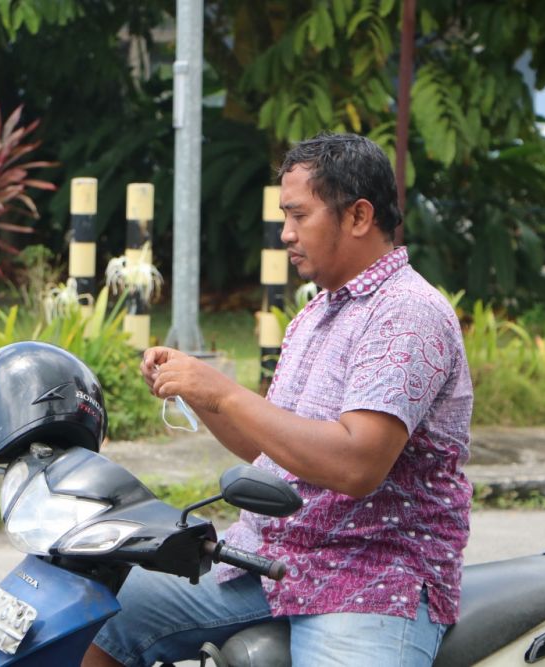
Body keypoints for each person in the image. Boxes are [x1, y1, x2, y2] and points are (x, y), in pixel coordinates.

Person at [83, 133, 473, 667]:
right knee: (97, 617)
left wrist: (223, 391)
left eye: (299, 216)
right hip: (268, 561)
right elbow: (273, 448)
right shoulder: (318, 313)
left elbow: (355, 464)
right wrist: (199, 393)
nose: (286, 234)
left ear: (358, 216)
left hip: (372, 576)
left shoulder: (407, 313)